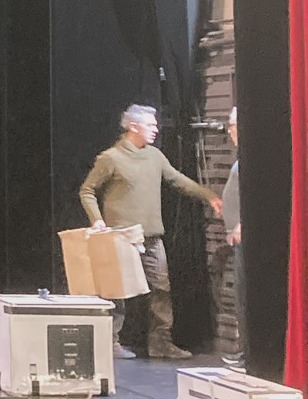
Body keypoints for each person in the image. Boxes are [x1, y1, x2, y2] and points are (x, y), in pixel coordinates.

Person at [79, 104, 222, 361]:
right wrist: (97, 220)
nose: (156, 128)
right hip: (120, 237)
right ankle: (110, 342)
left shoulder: (155, 156)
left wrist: (209, 196)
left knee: (161, 289)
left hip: (152, 236)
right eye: (151, 124)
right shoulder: (111, 158)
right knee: (115, 291)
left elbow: (177, 179)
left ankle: (161, 344)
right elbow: (87, 191)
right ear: (134, 126)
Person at [222, 106, 244, 370]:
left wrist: (241, 225)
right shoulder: (240, 159)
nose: (230, 131)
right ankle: (244, 351)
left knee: (246, 295)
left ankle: (250, 354)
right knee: (241, 296)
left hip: (244, 238)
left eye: (233, 125)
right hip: (237, 238)